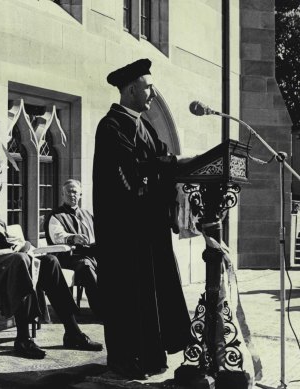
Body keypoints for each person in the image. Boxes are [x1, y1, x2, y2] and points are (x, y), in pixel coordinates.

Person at [0, 168, 102, 359]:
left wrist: (24, 246)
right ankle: (23, 338)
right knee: (19, 260)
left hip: (3, 266)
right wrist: (1, 252)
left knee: (49, 261)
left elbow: (10, 241)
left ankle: (72, 332)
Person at [92, 59, 191, 379]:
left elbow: (161, 161)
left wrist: (177, 170)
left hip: (148, 229)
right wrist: (172, 162)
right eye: (148, 88)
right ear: (132, 89)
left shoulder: (145, 126)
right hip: (125, 232)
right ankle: (123, 358)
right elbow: (130, 168)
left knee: (151, 294)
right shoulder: (111, 126)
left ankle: (151, 355)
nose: (153, 93)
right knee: (127, 295)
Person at [45, 179, 100, 317]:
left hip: (91, 254)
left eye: (75, 192)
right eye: (68, 192)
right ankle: (101, 310)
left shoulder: (87, 215)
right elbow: (57, 236)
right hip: (68, 258)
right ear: (62, 195)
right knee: (86, 266)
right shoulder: (56, 216)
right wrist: (72, 238)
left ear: (80, 194)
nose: (72, 195)